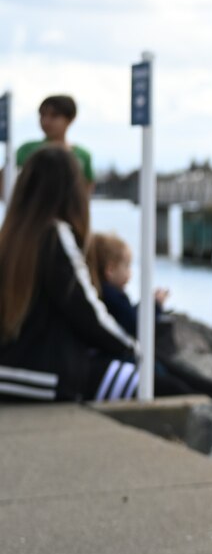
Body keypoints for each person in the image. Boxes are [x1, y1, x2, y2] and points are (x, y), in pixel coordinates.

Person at [0, 147, 139, 402]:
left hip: (8, 373)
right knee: (153, 379)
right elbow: (86, 311)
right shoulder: (54, 235)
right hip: (45, 378)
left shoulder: (9, 237)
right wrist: (132, 347)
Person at [86, 232, 169, 338]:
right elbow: (136, 324)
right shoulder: (114, 297)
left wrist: (148, 303)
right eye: (127, 266)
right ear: (110, 270)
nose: (130, 273)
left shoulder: (96, 292)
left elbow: (128, 313)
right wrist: (155, 306)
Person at [15, 95, 94, 187]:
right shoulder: (27, 150)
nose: (46, 121)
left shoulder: (83, 156)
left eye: (54, 115)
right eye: (42, 115)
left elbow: (85, 194)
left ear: (70, 119)